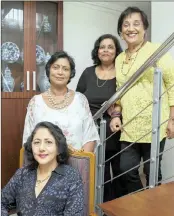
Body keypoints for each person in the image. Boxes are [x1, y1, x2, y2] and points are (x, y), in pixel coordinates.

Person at [110, 7, 174, 193]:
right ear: (121, 32)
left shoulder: (157, 51)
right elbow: (119, 91)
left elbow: (172, 84)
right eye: (126, 25)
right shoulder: (120, 58)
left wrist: (172, 119)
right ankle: (141, 204)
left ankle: (155, 213)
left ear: (144, 28)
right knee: (126, 170)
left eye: (136, 24)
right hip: (129, 125)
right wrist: (116, 115)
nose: (131, 28)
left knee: (152, 171)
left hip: (155, 123)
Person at [1, 121, 84, 216]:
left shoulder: (71, 177)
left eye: (48, 142)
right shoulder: (22, 174)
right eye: (36, 142)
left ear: (59, 148)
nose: (41, 148)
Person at [76, 34, 125, 201]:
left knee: (119, 171)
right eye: (102, 47)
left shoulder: (123, 73)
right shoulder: (88, 73)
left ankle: (119, 209)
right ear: (97, 51)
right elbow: (79, 100)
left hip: (116, 129)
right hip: (92, 132)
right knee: (99, 172)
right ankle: (102, 208)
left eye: (110, 47)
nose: (106, 50)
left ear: (116, 51)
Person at [23, 51, 99, 153]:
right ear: (48, 70)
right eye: (56, 67)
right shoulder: (36, 102)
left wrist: (81, 164)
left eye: (65, 69)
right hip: (43, 165)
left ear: (70, 74)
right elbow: (28, 140)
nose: (60, 72)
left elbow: (90, 137)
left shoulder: (80, 100)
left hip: (75, 165)